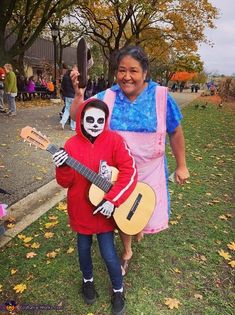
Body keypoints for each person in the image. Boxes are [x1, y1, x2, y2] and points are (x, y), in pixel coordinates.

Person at [69, 45, 190, 276]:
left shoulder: (162, 96)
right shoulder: (107, 97)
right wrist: (78, 95)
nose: (126, 77)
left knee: (141, 211)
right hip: (120, 172)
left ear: (145, 72)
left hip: (150, 170)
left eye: (133, 71)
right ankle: (126, 251)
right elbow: (77, 116)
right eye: (121, 70)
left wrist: (182, 165)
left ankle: (138, 229)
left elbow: (175, 131)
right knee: (123, 212)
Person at [52, 98, 137, 315]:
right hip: (81, 210)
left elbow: (129, 172)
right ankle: (87, 281)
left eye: (101, 120)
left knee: (109, 254)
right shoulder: (71, 145)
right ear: (81, 120)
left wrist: (112, 200)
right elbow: (65, 183)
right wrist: (62, 166)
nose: (95, 124)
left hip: (106, 213)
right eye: (90, 119)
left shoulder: (115, 141)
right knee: (83, 251)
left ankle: (118, 290)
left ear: (106, 121)